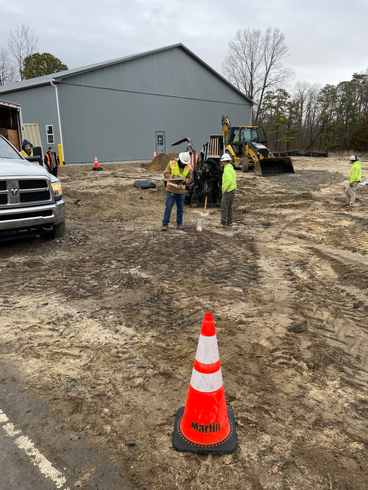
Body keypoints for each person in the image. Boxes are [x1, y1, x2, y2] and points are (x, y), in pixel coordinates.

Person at [162, 152, 192, 231]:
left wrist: (185, 181)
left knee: (180, 209)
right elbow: (166, 174)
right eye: (182, 162)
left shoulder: (188, 167)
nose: (183, 164)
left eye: (185, 163)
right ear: (180, 160)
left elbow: (190, 178)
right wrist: (174, 177)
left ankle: (179, 224)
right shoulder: (171, 164)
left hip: (181, 191)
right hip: (171, 190)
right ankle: (165, 224)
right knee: (168, 208)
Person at [217, 153, 237, 228]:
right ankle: (229, 222)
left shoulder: (227, 170)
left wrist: (225, 189)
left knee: (224, 206)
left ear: (223, 161)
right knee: (230, 207)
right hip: (232, 190)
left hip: (228, 191)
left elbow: (229, 180)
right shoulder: (231, 169)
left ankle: (223, 223)